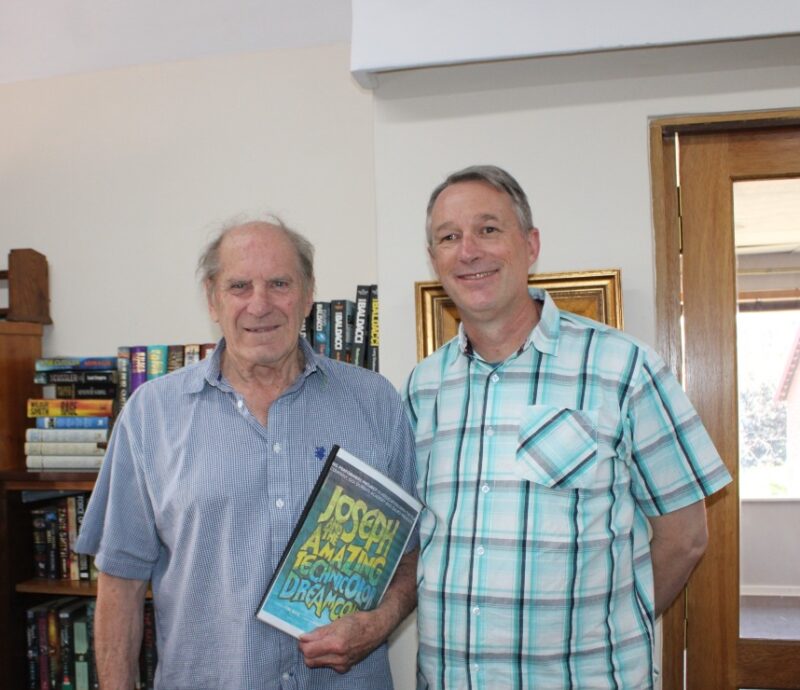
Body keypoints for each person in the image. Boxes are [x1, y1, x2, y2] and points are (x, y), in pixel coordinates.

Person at [403, 165, 732, 689]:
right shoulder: (423, 387)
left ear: (530, 245)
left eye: (488, 229)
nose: (468, 251)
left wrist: (617, 623)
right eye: (448, 237)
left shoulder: (623, 368)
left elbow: (686, 538)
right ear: (434, 258)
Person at [76, 217, 418, 690]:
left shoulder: (374, 402)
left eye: (279, 283)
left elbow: (411, 553)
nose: (260, 304)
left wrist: (380, 624)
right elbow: (121, 582)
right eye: (240, 286)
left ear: (308, 293)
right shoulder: (149, 415)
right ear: (213, 298)